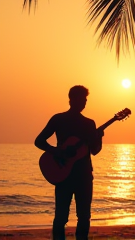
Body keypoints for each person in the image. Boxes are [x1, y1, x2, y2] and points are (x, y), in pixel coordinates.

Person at [35, 85, 104, 240]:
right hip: (63, 174)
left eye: (86, 100)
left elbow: (94, 150)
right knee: (61, 216)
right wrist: (57, 151)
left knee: (84, 216)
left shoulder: (89, 123)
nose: (84, 102)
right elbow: (39, 141)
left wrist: (99, 137)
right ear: (71, 99)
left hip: (84, 175)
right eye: (82, 99)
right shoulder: (58, 119)